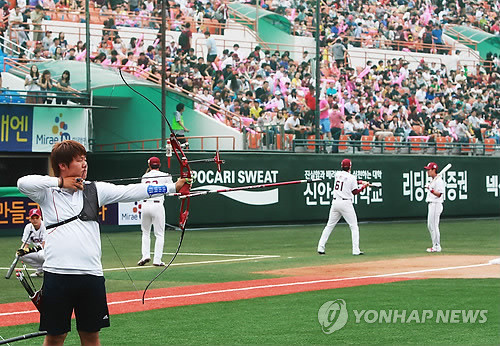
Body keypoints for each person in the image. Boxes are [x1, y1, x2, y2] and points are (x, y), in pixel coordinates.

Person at [17, 140, 186, 346]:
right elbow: (23, 182)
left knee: (91, 336)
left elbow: (130, 191)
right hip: (57, 275)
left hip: (91, 275)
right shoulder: (47, 193)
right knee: (55, 336)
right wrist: (61, 183)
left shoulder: (95, 189)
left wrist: (173, 186)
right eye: (79, 160)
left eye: (85, 159)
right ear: (62, 165)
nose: (85, 164)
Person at [317, 159, 368, 256]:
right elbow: (354, 192)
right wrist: (363, 187)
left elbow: (347, 181)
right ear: (350, 166)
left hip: (335, 202)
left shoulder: (337, 174)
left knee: (329, 226)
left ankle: (320, 247)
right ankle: (355, 250)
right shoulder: (351, 177)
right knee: (354, 226)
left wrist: (361, 182)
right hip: (346, 203)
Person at [138, 157, 173, 267]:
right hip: (157, 204)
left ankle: (145, 255)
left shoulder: (144, 177)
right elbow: (172, 190)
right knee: (159, 234)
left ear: (149, 165)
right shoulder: (165, 175)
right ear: (159, 165)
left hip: (145, 204)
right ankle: (157, 260)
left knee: (145, 232)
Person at [17, 208, 46, 277]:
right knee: (19, 255)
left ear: (40, 218)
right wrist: (21, 251)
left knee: (41, 254)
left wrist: (31, 250)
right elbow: (25, 244)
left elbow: (44, 245)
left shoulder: (45, 225)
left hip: (48, 250)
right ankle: (40, 268)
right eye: (33, 218)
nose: (35, 220)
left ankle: (48, 269)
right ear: (29, 219)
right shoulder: (28, 227)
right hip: (38, 250)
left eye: (37, 218)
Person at [424, 162, 445, 253]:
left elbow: (439, 194)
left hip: (436, 204)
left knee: (434, 225)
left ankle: (437, 246)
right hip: (432, 204)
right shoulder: (434, 180)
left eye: (429, 170)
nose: (427, 171)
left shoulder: (439, 181)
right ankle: (435, 245)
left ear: (434, 170)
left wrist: (430, 189)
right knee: (430, 225)